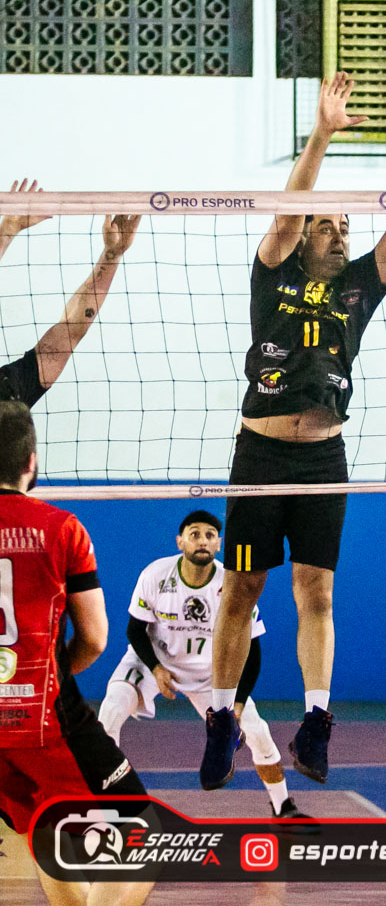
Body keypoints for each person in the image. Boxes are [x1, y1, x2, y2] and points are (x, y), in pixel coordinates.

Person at [201, 72, 386, 789]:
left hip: (323, 459)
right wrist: (321, 134)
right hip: (261, 456)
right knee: (242, 588)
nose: (338, 233)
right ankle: (220, 718)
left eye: (344, 227)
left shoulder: (359, 287)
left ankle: (316, 722)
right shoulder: (274, 273)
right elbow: (287, 214)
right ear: (303, 238)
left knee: (318, 593)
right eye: (325, 225)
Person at [0, 400, 151, 906]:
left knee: (47, 833)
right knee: (145, 835)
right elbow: (95, 638)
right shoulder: (62, 528)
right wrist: (53, 673)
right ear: (31, 462)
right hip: (43, 716)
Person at [98, 510, 313, 822]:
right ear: (180, 541)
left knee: (258, 733)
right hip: (153, 662)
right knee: (111, 710)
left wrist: (238, 704)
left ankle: (283, 807)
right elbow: (135, 630)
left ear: (219, 544)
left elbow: (252, 651)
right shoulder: (155, 575)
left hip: (212, 675)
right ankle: (108, 807)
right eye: (195, 534)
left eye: (210, 535)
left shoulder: (233, 583)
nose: (202, 540)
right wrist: (156, 668)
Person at [0, 178, 141, 407]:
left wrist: (112, 255)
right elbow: (71, 328)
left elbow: (71, 329)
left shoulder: (10, 389)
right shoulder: (11, 390)